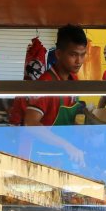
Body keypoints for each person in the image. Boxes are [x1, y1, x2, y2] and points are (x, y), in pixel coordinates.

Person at [18, 25, 89, 167]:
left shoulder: (73, 81)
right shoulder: (46, 84)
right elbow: (31, 123)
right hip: (37, 159)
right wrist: (66, 145)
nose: (79, 61)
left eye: (82, 55)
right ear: (58, 54)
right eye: (73, 54)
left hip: (59, 157)